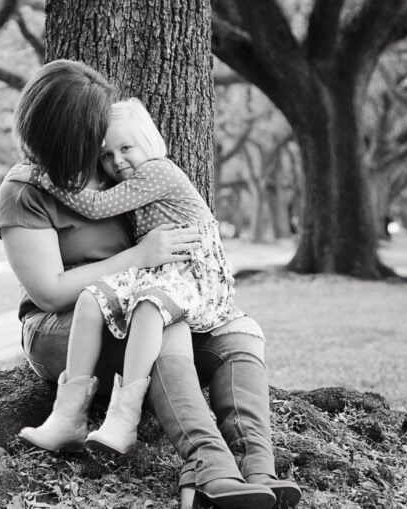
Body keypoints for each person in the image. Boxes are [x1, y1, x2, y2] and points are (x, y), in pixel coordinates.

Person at [0, 59, 301, 509]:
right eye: (92, 133)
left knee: (240, 338)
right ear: (66, 132)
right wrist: (138, 256)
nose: (105, 148)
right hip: (64, 326)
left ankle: (259, 468)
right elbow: (51, 291)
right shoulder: (25, 190)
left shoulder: (119, 173)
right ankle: (209, 467)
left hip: (137, 303)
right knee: (162, 321)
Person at [14, 98, 244, 459]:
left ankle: (125, 418)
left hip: (191, 271)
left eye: (125, 148)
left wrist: (45, 179)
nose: (116, 161)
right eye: (105, 155)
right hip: (154, 270)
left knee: (150, 308)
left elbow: (95, 206)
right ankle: (68, 415)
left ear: (148, 141)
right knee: (92, 298)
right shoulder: (134, 179)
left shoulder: (157, 172)